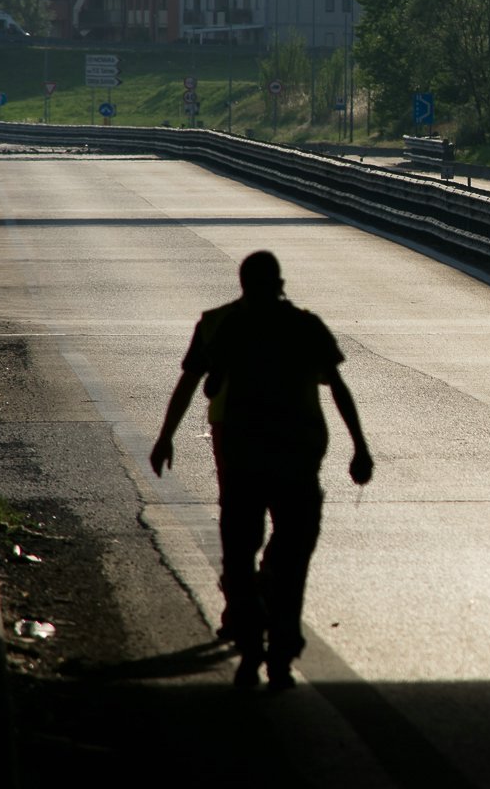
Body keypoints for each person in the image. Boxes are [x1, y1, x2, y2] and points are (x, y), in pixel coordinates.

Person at [150, 250, 373, 691]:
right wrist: (360, 448)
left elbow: (202, 382)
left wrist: (166, 435)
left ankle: (251, 647)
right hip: (298, 458)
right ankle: (280, 656)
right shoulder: (305, 325)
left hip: (243, 456)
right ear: (280, 282)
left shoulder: (225, 324)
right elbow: (338, 386)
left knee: (239, 550)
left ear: (244, 283)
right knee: (292, 561)